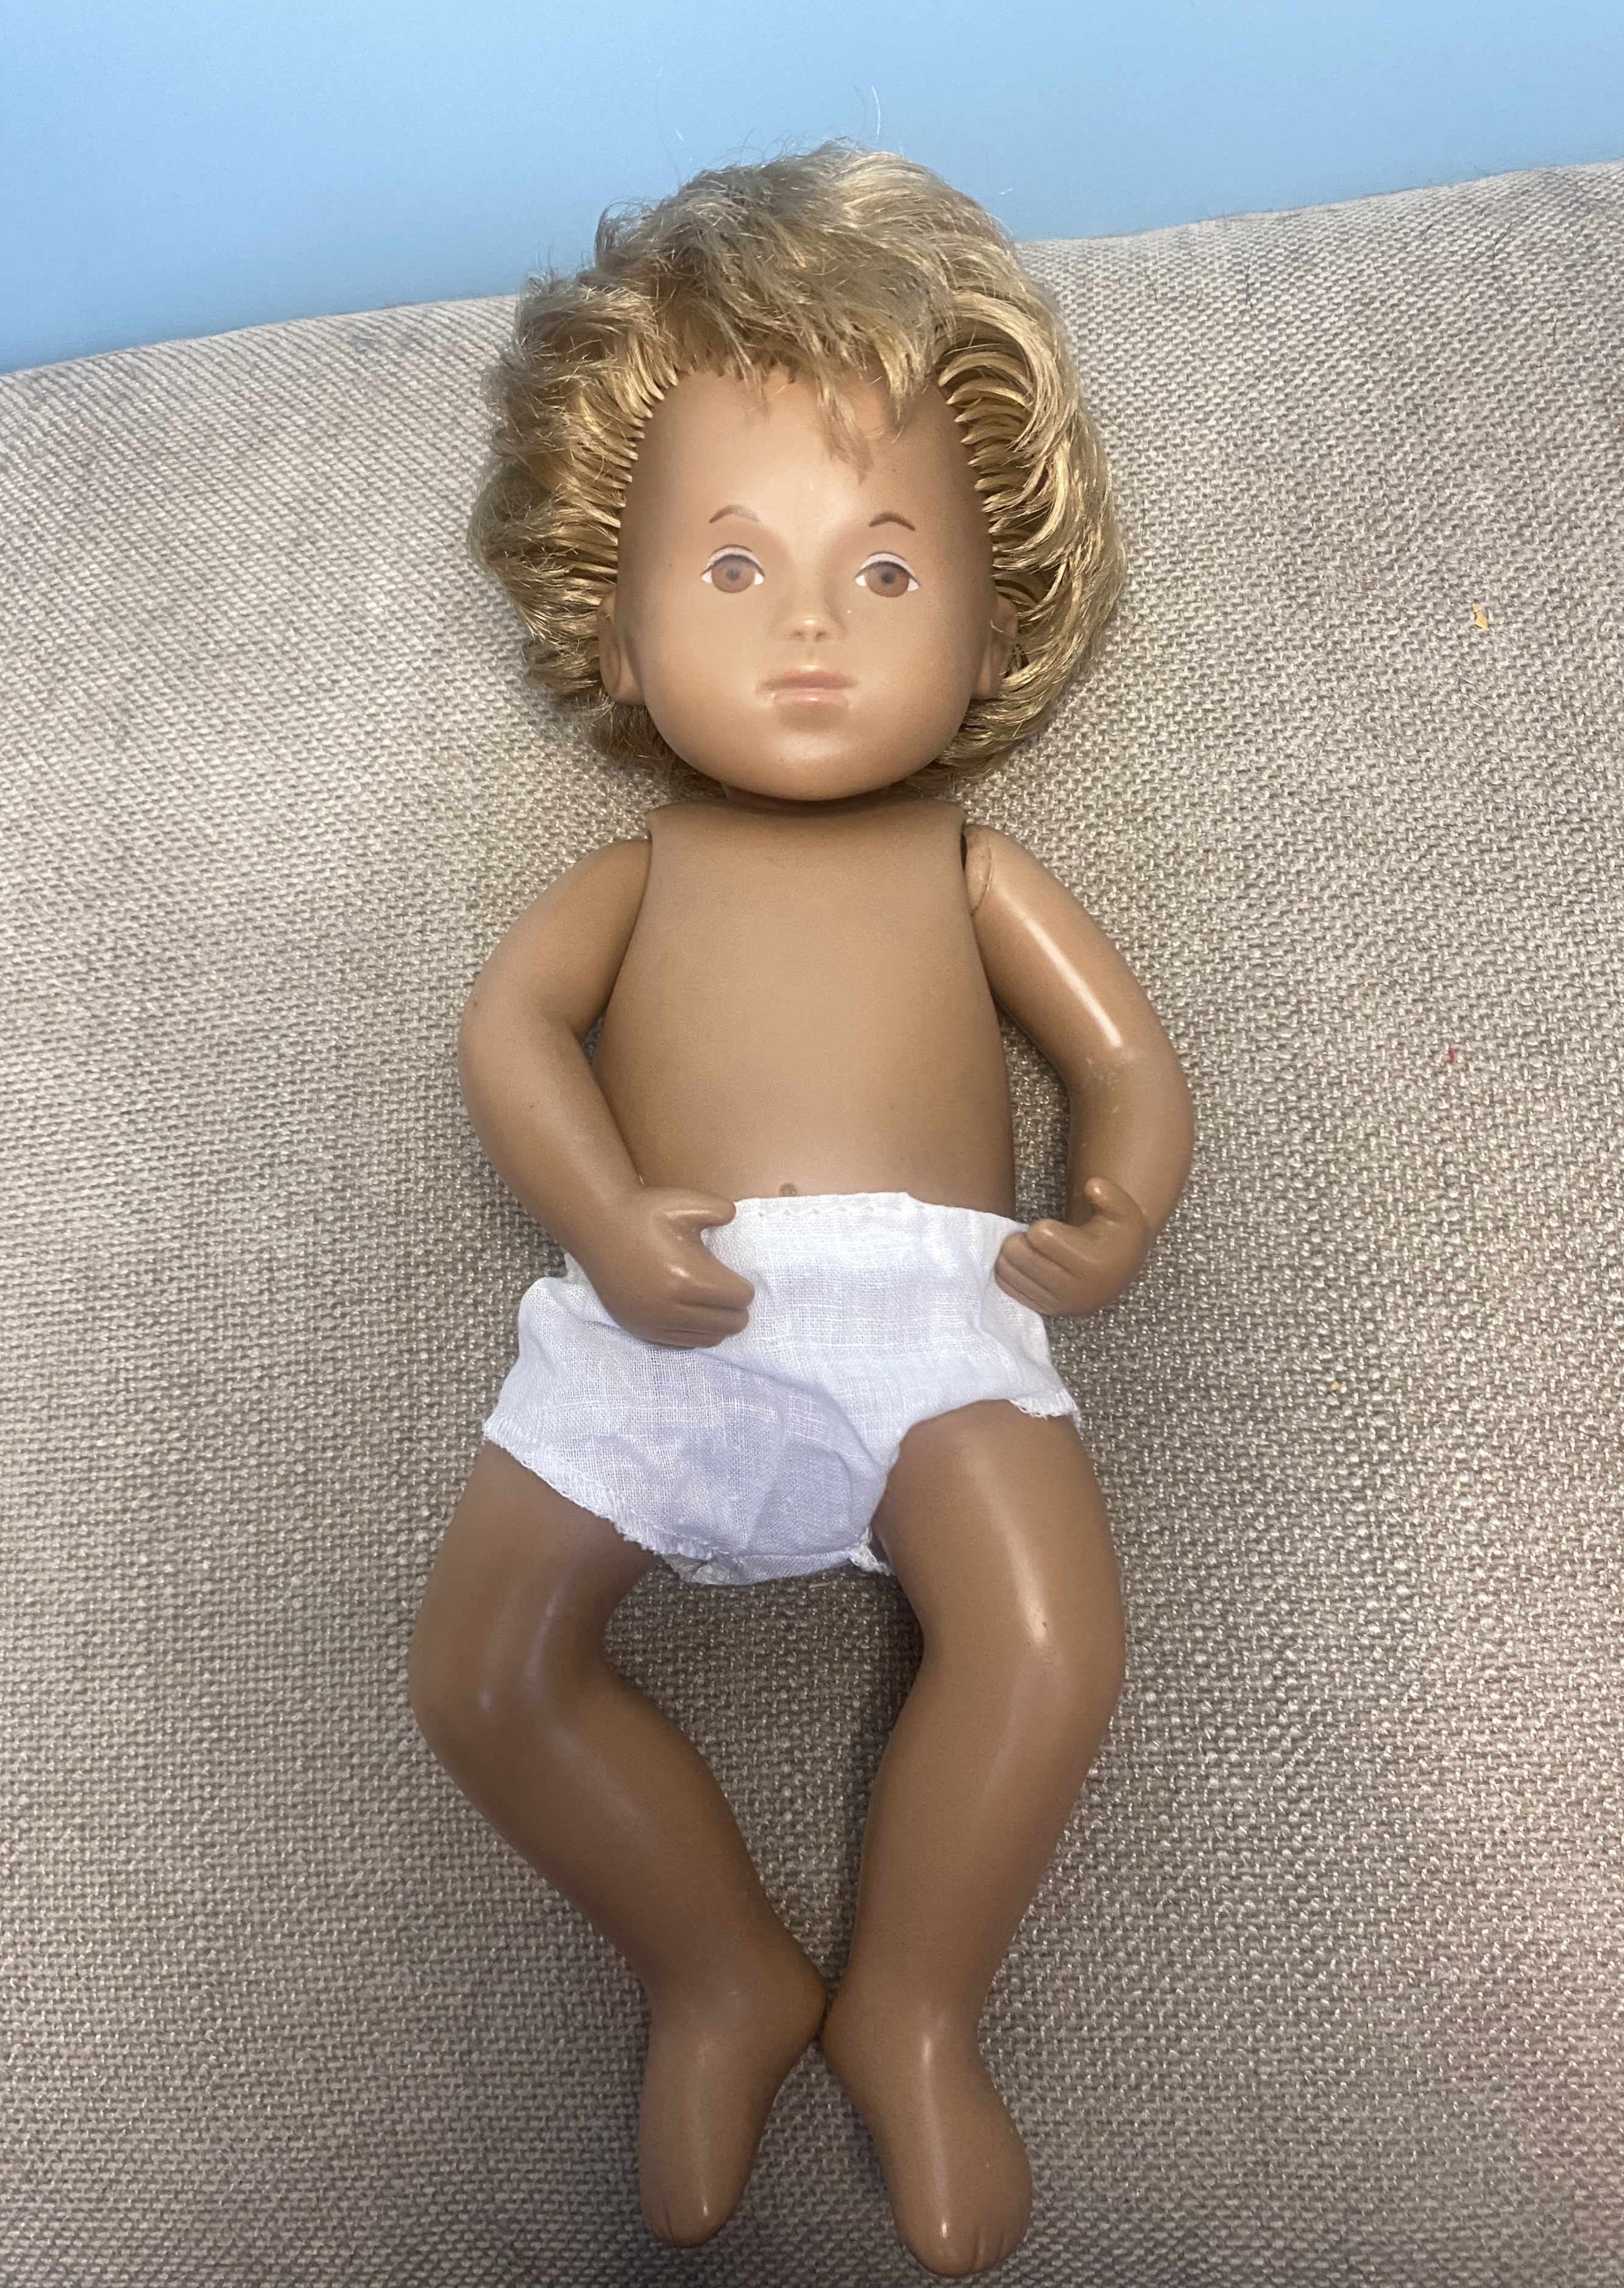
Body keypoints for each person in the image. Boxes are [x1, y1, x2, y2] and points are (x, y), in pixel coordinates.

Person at [407, 143, 1193, 2279]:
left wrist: (1115, 1210)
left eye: (886, 564)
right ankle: (718, 1966)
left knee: (1047, 1634)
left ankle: (912, 2007)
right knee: (479, 1670)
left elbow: (1125, 1066)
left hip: (938, 1319)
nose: (815, 626)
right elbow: (512, 1034)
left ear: (996, 610)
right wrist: (603, 1215)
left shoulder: (971, 866)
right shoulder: (638, 872)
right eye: (736, 565)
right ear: (614, 610)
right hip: (663, 1294)